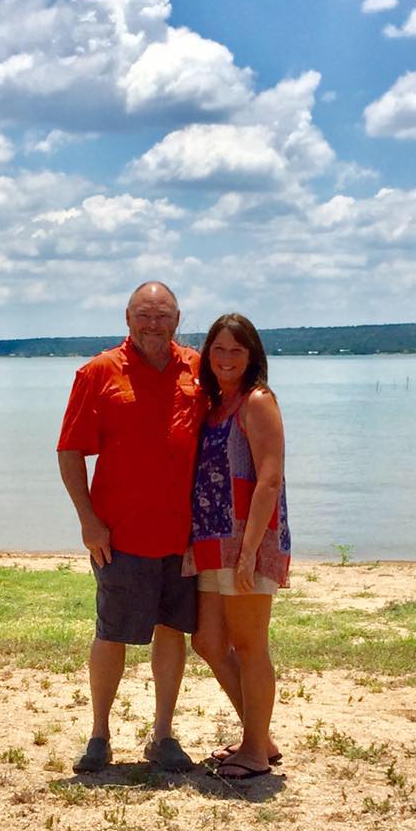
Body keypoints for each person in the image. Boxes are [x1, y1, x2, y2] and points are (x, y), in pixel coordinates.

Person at [57, 281, 205, 773]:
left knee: (172, 631)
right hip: (118, 535)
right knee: (111, 633)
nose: (153, 324)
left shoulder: (197, 370)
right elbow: (69, 451)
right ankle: (99, 735)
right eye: (144, 315)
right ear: (127, 318)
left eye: (163, 315)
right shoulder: (99, 372)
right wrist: (88, 522)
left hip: (182, 535)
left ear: (177, 319)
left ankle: (163, 735)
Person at [183, 313, 291, 780]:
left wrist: (249, 553)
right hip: (210, 539)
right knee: (207, 642)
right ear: (208, 354)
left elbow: (269, 479)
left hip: (248, 540)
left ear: (252, 356)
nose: (226, 358)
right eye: (219, 349)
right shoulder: (215, 405)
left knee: (249, 645)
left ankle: (254, 752)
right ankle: (259, 736)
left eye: (236, 350)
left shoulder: (257, 401)